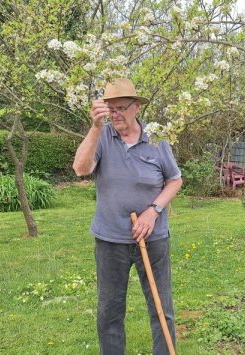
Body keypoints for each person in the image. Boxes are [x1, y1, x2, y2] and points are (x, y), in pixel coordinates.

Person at [72, 78, 182, 355]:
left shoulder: (157, 140)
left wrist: (153, 211)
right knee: (109, 311)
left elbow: (175, 180)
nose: (115, 114)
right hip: (110, 239)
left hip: (153, 237)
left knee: (161, 308)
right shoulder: (102, 137)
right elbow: (80, 169)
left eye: (120, 107)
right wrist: (95, 128)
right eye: (110, 108)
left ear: (136, 108)